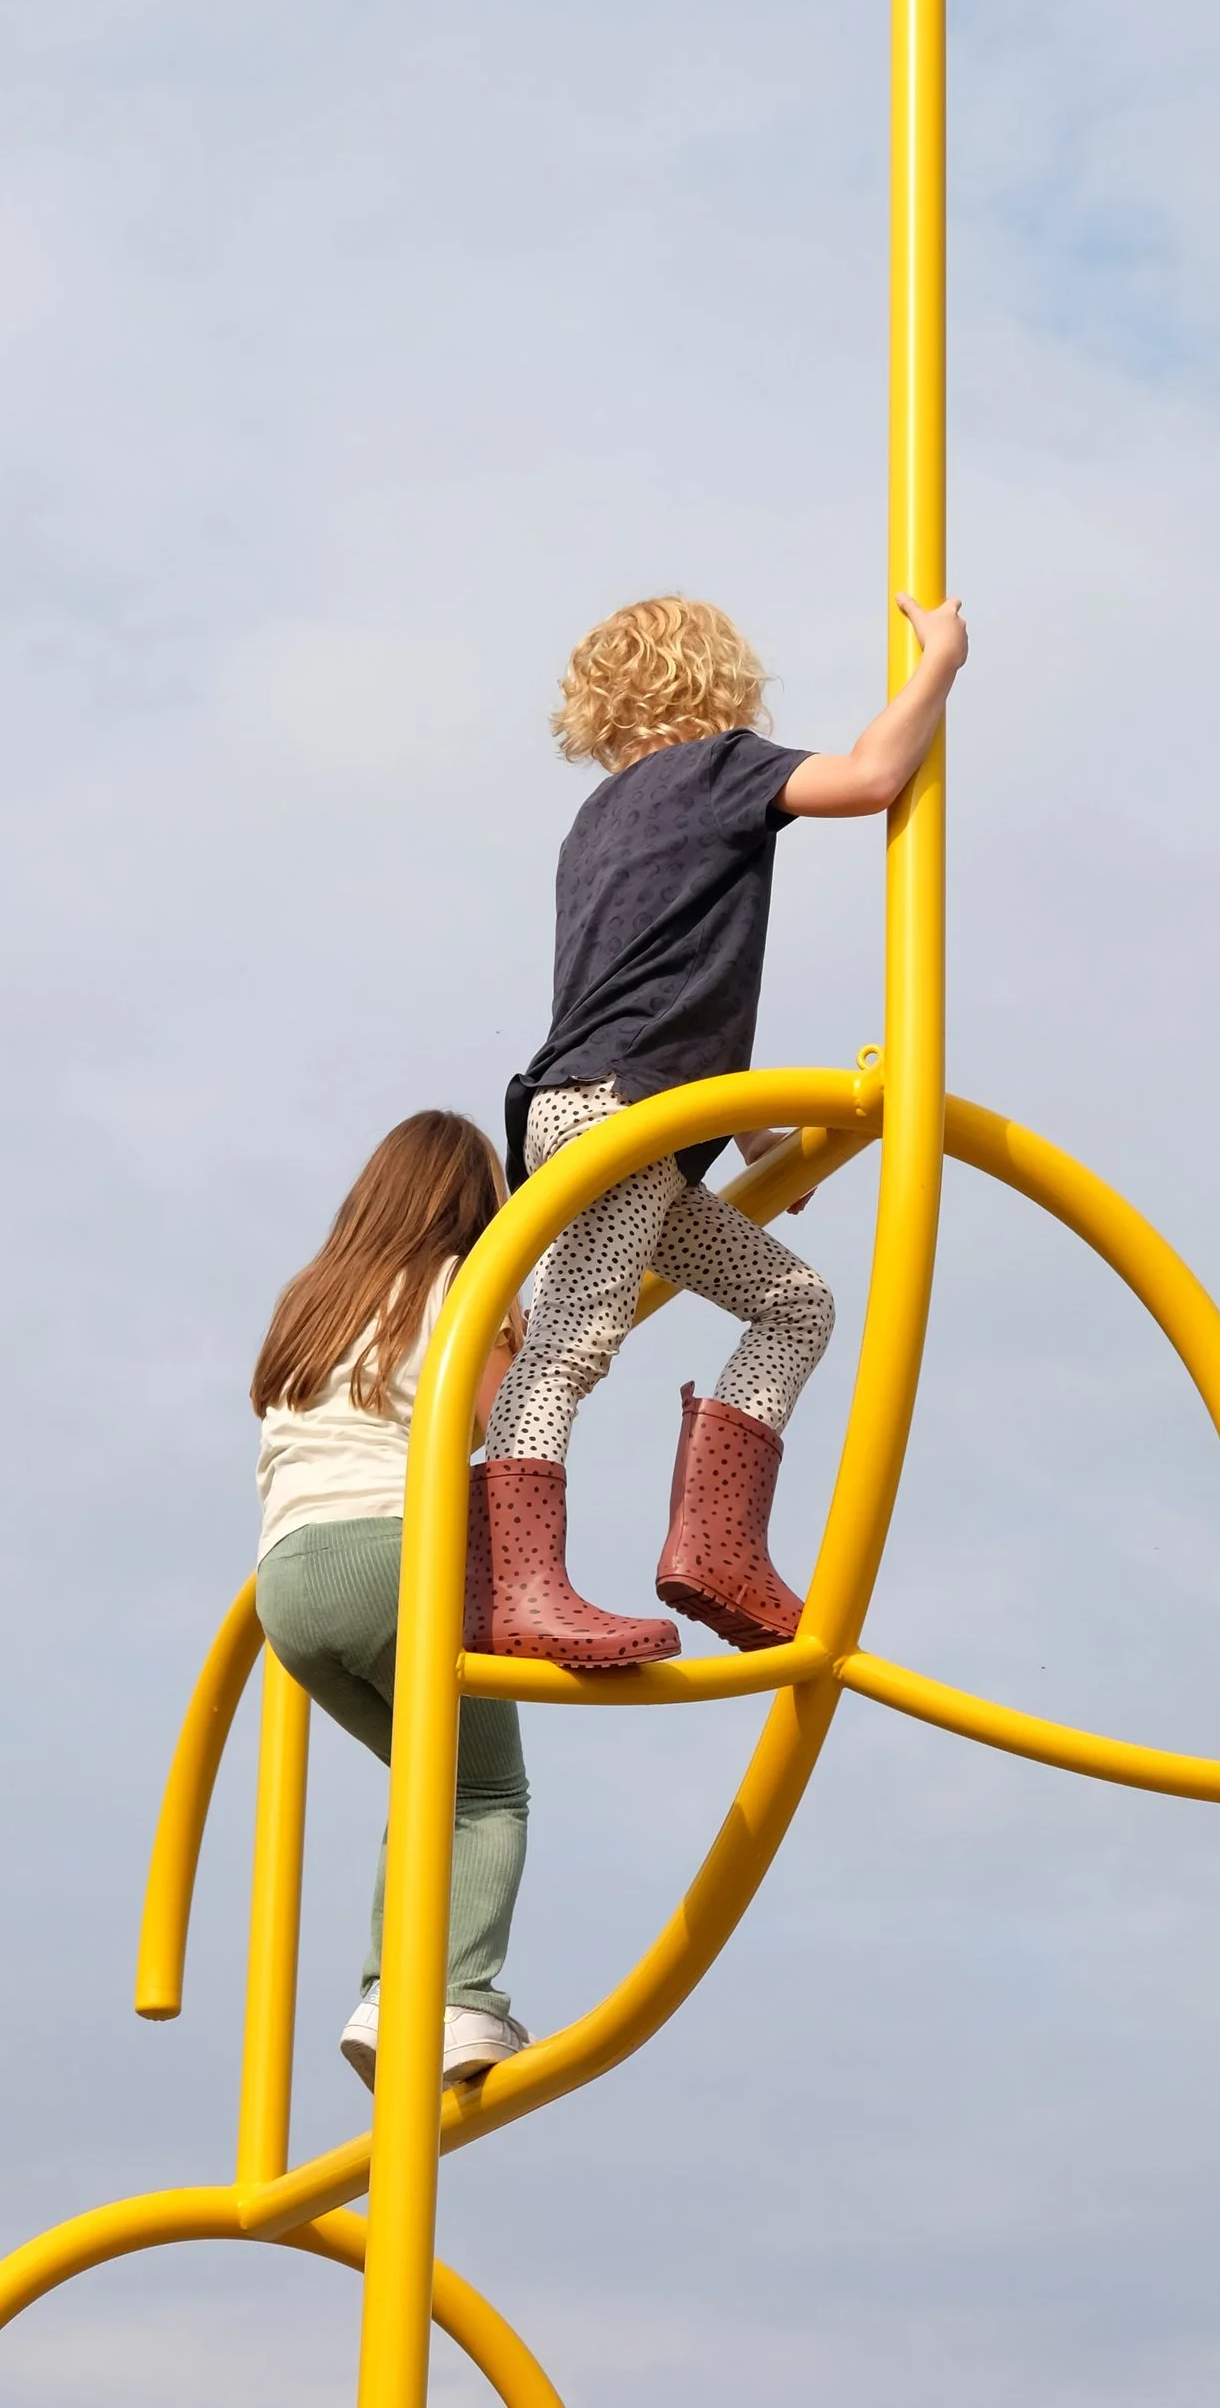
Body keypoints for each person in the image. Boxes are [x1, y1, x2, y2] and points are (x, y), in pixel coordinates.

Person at [469, 588, 969, 1672]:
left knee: (793, 1304)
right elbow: (870, 776)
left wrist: (747, 1140)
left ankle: (715, 1548)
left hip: (604, 1106)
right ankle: (516, 1585)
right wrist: (940, 663)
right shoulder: (718, 768)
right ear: (717, 682)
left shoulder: (597, 818)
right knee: (571, 1343)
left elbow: (660, 985)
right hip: (626, 1114)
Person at [252, 1109, 532, 2089]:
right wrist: (522, 1335)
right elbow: (505, 1421)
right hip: (396, 1558)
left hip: (286, 1587)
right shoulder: (464, 1287)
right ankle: (457, 2000)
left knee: (431, 1775)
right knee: (486, 1792)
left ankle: (391, 1994)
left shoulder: (312, 1298)